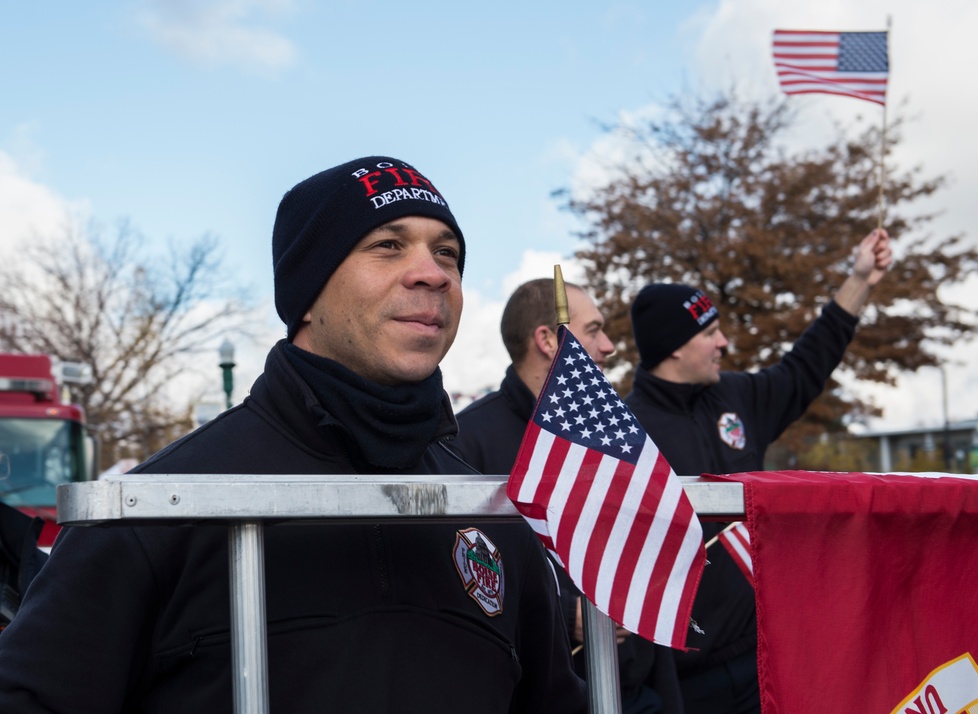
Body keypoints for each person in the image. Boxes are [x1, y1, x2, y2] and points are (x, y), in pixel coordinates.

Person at [0, 156, 587, 714]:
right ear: (308, 292)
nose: (433, 273)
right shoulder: (156, 508)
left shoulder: (497, 514)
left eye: (448, 253)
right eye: (387, 245)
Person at [625, 228, 893, 714]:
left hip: (766, 659)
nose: (724, 343)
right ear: (675, 348)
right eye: (710, 334)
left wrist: (860, 281)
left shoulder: (738, 397)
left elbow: (807, 365)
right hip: (681, 681)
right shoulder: (628, 432)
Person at [452, 277, 673, 714]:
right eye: (593, 330)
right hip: (544, 694)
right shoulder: (466, 442)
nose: (608, 345)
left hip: (637, 688)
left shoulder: (612, 432)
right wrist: (562, 611)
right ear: (549, 340)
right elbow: (462, 571)